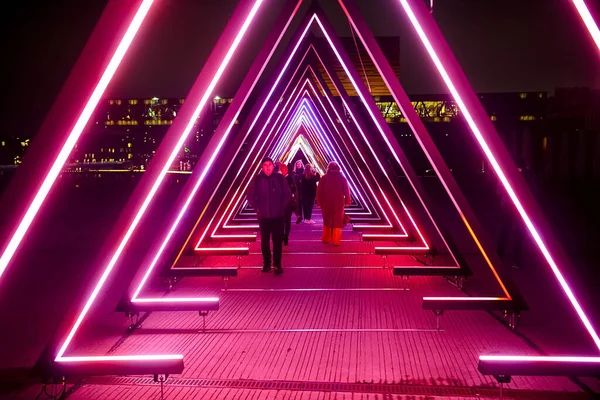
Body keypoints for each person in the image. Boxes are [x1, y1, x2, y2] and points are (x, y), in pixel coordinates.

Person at [246, 157, 291, 274]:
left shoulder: (280, 178)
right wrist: (257, 208)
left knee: (277, 242)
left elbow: (287, 195)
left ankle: (277, 265)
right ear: (262, 167)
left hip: (278, 216)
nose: (267, 167)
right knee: (264, 241)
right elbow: (249, 196)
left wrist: (281, 208)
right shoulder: (257, 179)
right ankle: (266, 264)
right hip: (263, 216)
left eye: (269, 164)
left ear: (273, 166)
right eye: (265, 165)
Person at [496, 156, 538, 269]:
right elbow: (500, 189)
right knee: (508, 230)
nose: (518, 171)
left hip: (520, 207)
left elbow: (533, 190)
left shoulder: (525, 175)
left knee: (517, 232)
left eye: (520, 169)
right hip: (512, 206)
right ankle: (501, 255)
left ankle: (513, 258)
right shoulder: (511, 174)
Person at [316, 161, 351, 246]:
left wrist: (319, 202)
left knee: (327, 219)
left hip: (326, 202)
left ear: (328, 168)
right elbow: (347, 191)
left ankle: (326, 238)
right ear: (338, 168)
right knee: (337, 221)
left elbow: (319, 191)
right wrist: (347, 201)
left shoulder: (324, 178)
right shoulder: (342, 178)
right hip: (338, 202)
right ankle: (336, 240)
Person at [278, 163, 297, 245]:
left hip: (288, 203)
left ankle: (286, 237)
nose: (282, 171)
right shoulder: (279, 178)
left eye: (283, 169)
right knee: (282, 221)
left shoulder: (289, 178)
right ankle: (282, 236)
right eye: (281, 170)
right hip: (281, 203)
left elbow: (294, 189)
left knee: (287, 221)